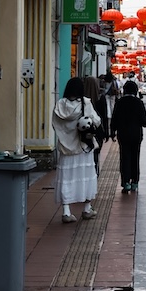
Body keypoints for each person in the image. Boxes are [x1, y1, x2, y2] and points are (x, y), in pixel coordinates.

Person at [52, 76, 100, 223]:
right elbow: (96, 121)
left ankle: (66, 211)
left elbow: (55, 125)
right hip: (83, 147)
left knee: (66, 179)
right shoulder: (85, 103)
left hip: (66, 150)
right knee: (85, 177)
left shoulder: (60, 105)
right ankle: (87, 208)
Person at [110, 78, 146, 194]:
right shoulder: (139, 103)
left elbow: (114, 119)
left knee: (125, 157)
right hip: (136, 135)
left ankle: (125, 182)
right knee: (135, 157)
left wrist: (112, 133)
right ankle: (135, 182)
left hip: (123, 135)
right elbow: (144, 121)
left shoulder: (120, 102)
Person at [82, 76, 107, 172]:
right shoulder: (101, 99)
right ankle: (95, 171)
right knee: (96, 153)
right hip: (98, 131)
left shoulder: (83, 101)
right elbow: (104, 117)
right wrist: (106, 133)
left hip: (86, 132)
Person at [100, 70, 120, 138]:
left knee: (108, 107)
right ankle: (112, 117)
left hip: (106, 95)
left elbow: (102, 88)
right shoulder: (114, 81)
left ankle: (108, 118)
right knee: (112, 106)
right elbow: (117, 88)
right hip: (113, 95)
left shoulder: (104, 81)